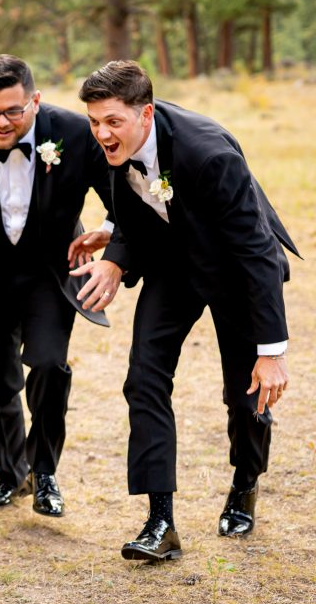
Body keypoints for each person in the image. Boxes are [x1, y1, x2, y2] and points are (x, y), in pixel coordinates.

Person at [70, 60, 298, 561]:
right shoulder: (111, 145)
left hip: (236, 268)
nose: (102, 133)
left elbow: (256, 250)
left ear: (146, 113)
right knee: (144, 378)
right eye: (94, 121)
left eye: (113, 122)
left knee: (247, 395)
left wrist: (273, 351)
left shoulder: (208, 153)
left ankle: (245, 482)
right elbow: (131, 208)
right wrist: (114, 256)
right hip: (173, 266)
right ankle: (160, 522)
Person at [0, 54, 112, 518]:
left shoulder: (72, 131)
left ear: (36, 100)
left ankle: (44, 472)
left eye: (13, 110)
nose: (1, 122)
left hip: (50, 272)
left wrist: (109, 234)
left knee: (49, 365)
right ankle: (11, 473)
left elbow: (118, 195)